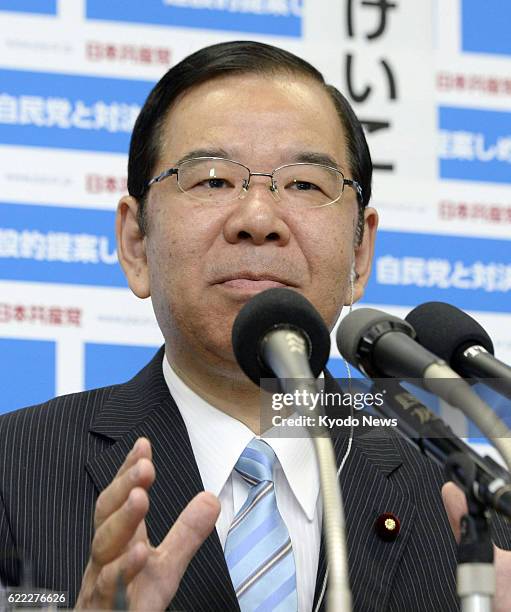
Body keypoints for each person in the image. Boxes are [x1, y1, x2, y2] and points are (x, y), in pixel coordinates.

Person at [0, 41, 510, 612]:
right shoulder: (15, 471)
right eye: (213, 180)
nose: (259, 220)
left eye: (304, 185)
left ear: (359, 253)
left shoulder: (469, 509)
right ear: (135, 243)